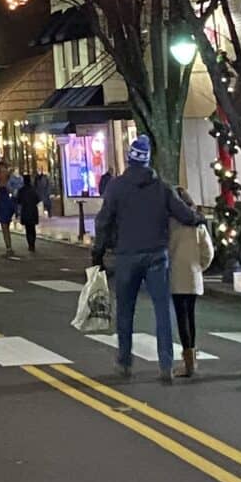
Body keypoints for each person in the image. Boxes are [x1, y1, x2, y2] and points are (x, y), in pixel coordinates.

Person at [89, 134, 199, 384]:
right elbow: (184, 214)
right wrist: (198, 219)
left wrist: (98, 252)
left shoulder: (116, 187)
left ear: (130, 159)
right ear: (148, 161)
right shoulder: (162, 188)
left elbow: (104, 221)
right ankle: (166, 363)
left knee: (125, 310)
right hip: (156, 255)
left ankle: (125, 361)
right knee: (162, 310)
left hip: (127, 254)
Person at [167, 186, 212, 379]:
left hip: (176, 275)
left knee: (182, 317)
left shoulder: (170, 224)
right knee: (191, 317)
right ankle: (192, 358)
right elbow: (208, 251)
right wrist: (200, 266)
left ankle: (188, 361)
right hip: (193, 275)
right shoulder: (197, 224)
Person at [0, 167, 20, 259]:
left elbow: (0, 200)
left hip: (5, 207)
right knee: (5, 228)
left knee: (5, 227)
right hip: (6, 206)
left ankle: (9, 248)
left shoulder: (5, 188)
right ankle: (9, 247)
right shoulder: (6, 187)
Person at [17, 171, 42, 254]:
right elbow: (38, 199)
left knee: (28, 229)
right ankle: (33, 244)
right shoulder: (33, 190)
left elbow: (18, 201)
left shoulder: (21, 191)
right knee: (32, 228)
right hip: (33, 211)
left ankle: (30, 244)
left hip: (25, 211)